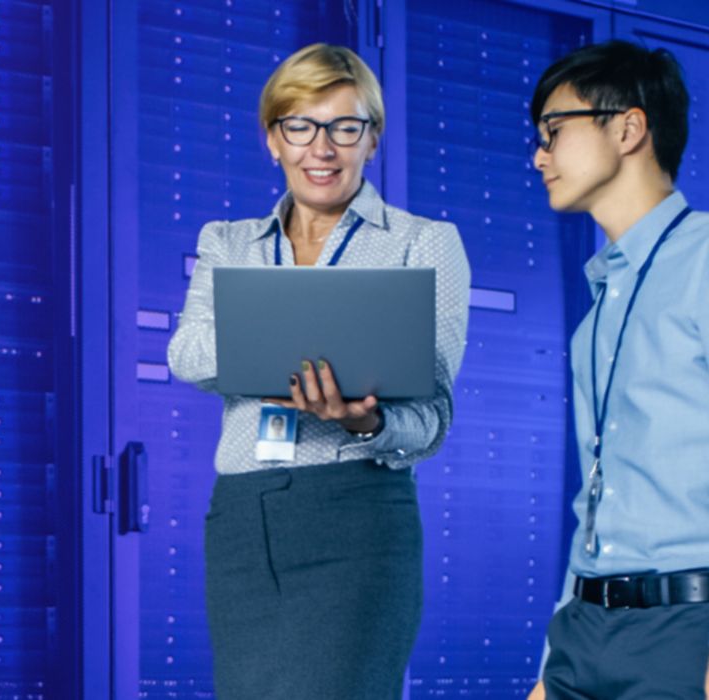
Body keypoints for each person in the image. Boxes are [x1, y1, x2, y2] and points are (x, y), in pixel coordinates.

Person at [166, 43, 471, 699]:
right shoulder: (228, 241)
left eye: (344, 127)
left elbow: (433, 419)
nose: (321, 148)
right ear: (273, 139)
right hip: (244, 519)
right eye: (300, 126)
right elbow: (186, 353)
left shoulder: (422, 242)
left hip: (357, 515)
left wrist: (368, 421)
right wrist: (288, 345)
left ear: (372, 139)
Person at [521, 40, 709, 700]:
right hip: (584, 629)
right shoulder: (596, 311)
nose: (539, 156)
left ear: (628, 127)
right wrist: (552, 658)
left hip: (688, 629)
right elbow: (597, 499)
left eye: (554, 131)